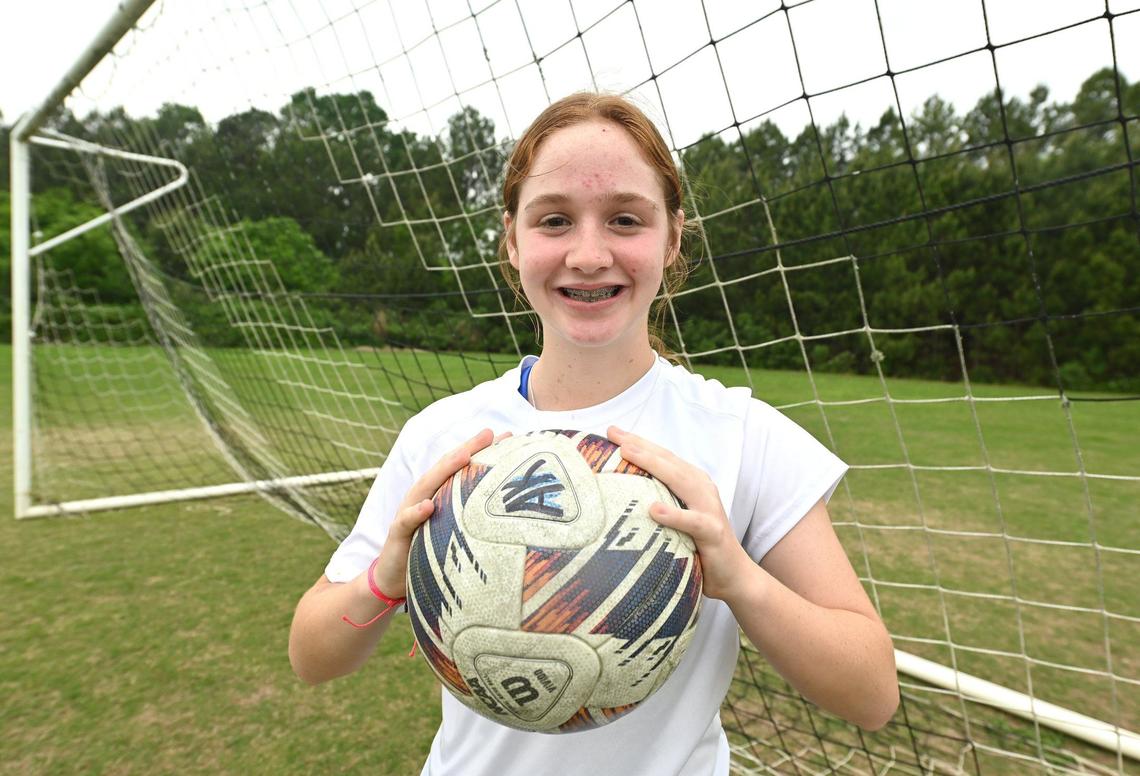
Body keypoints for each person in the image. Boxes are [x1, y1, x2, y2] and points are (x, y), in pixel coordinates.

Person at [289, 91, 899, 775]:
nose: (587, 254)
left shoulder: (742, 436)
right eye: (554, 220)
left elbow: (873, 695)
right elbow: (311, 657)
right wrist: (384, 581)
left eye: (625, 220)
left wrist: (740, 579)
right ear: (512, 241)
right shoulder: (445, 435)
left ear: (672, 238)